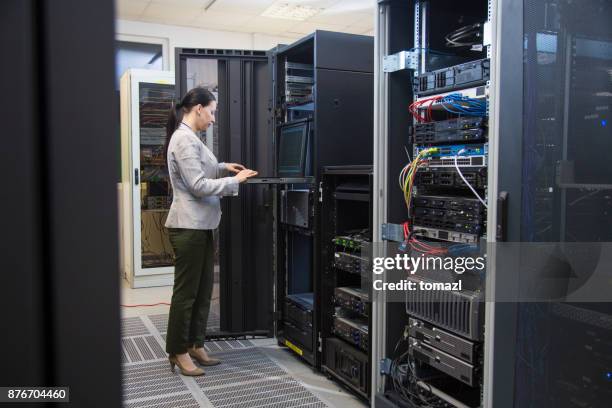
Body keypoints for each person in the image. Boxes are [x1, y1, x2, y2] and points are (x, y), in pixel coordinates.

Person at [163, 87, 257, 376]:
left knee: (203, 291)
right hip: (188, 226)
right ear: (199, 109)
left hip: (201, 225)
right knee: (186, 294)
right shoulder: (183, 139)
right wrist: (235, 182)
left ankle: (195, 343)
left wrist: (223, 166)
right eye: (212, 111)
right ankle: (178, 351)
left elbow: (202, 169)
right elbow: (197, 185)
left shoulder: (191, 138)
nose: (214, 119)